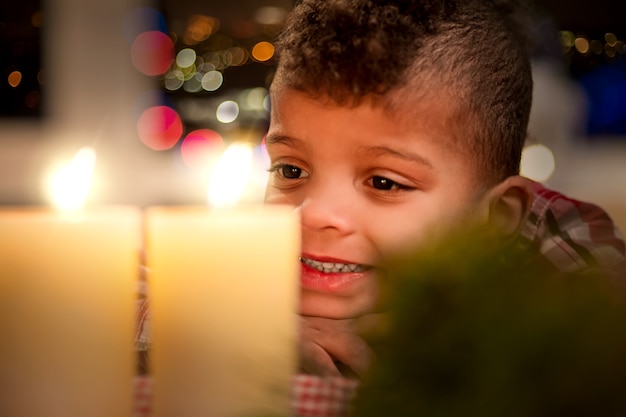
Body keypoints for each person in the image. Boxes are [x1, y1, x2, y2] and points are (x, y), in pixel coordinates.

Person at [135, 1, 626, 416]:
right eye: (290, 171)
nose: (313, 213)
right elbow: (94, 283)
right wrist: (216, 322)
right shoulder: (238, 255)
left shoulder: (546, 241)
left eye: (384, 182)